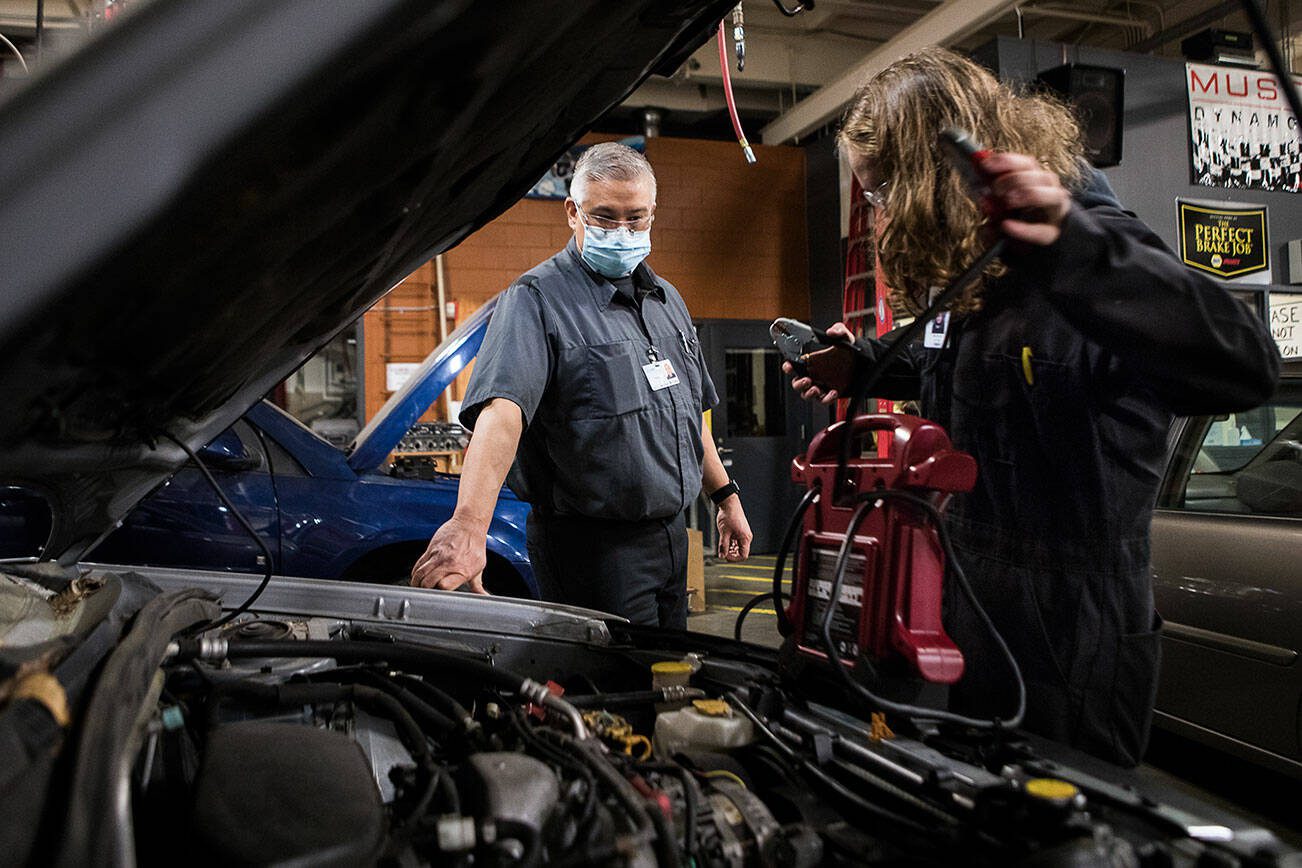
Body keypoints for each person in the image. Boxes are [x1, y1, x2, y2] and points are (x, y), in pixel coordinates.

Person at [788, 48, 1279, 766]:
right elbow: (942, 353)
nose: (883, 211)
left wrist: (1078, 247)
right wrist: (860, 362)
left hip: (1072, 620)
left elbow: (1244, 365)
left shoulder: (1086, 246)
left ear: (937, 168)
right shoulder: (987, 269)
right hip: (976, 599)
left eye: (887, 188)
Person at [411, 142, 752, 628]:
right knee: (607, 691)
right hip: (591, 552)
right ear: (572, 212)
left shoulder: (666, 301)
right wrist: (469, 523)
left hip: (671, 541)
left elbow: (687, 416)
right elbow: (503, 413)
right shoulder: (536, 299)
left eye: (636, 218)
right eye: (605, 217)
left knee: (670, 679)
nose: (622, 232)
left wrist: (726, 498)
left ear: (654, 213)